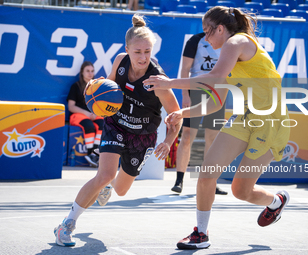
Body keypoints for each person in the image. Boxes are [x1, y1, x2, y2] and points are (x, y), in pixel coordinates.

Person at [143, 6, 291, 249]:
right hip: (245, 118)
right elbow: (214, 103)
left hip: (271, 122)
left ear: (220, 29)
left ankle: (276, 201)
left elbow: (213, 77)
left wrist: (170, 82)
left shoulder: (237, 42)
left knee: (241, 191)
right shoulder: (229, 55)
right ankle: (201, 234)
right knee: (206, 174)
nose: (205, 38)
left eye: (207, 31)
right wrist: (182, 112)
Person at [54, 14, 182, 247]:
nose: (143, 57)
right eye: (138, 51)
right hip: (116, 124)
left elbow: (176, 117)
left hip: (142, 137)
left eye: (147, 51)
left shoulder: (159, 81)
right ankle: (66, 225)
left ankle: (107, 188)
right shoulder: (120, 61)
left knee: (120, 190)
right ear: (127, 49)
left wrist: (169, 141)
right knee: (104, 175)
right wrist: (98, 93)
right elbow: (110, 87)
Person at [172, 32, 228, 195]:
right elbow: (185, 68)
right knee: (188, 135)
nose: (206, 28)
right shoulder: (195, 40)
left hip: (218, 92)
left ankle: (210, 182)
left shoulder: (228, 42)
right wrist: (184, 94)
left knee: (213, 138)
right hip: (196, 90)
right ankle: (179, 180)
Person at [67, 61, 103, 167]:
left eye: (92, 71)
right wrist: (87, 113)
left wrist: (95, 113)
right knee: (88, 125)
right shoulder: (76, 86)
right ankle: (91, 154)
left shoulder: (97, 88)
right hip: (78, 115)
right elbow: (71, 106)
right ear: (82, 72)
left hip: (94, 114)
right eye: (87, 71)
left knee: (102, 124)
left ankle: (94, 155)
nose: (90, 73)